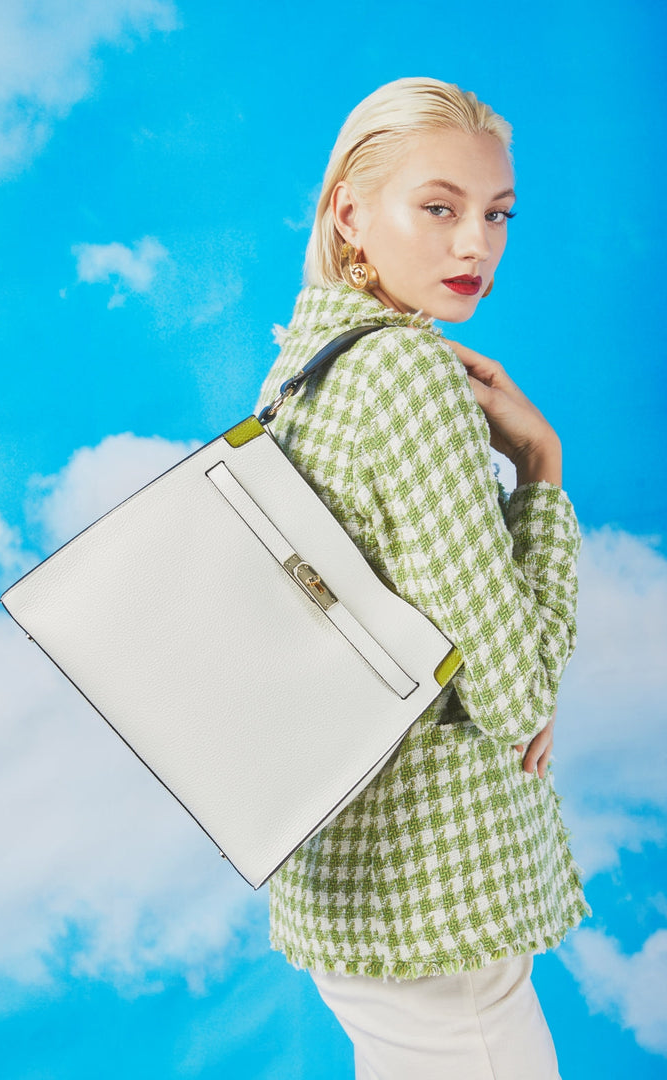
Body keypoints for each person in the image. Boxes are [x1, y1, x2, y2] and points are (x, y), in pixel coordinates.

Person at [257, 77, 589, 1080]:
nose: (475, 244)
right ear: (350, 213)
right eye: (439, 207)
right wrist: (542, 471)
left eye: (497, 214)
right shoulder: (406, 375)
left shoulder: (299, 372)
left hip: (346, 868)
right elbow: (514, 694)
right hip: (437, 893)